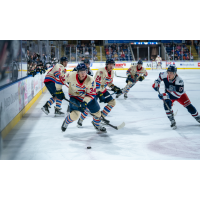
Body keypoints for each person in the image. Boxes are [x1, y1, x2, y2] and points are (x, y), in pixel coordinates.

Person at [60, 63, 106, 132]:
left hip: (86, 97)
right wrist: (58, 90)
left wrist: (85, 102)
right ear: (77, 72)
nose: (83, 74)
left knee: (97, 113)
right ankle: (66, 122)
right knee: (75, 115)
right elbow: (60, 79)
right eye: (81, 72)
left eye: (84, 72)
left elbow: (91, 94)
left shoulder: (90, 80)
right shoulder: (71, 75)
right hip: (75, 97)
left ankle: (97, 124)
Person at [76, 59, 122, 127]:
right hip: (94, 90)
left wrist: (115, 88)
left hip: (103, 90)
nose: (111, 66)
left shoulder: (112, 72)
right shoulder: (101, 71)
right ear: (107, 64)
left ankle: (101, 117)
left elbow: (109, 83)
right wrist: (99, 93)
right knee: (89, 107)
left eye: (112, 64)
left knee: (112, 102)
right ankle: (81, 119)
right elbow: (96, 83)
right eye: (110, 64)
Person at [152, 65, 200, 129]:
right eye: (168, 72)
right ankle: (172, 120)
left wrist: (165, 95)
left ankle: (198, 117)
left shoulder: (179, 81)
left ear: (175, 73)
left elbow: (177, 95)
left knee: (189, 106)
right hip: (169, 93)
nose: (169, 75)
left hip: (180, 95)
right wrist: (156, 83)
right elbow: (159, 77)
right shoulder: (164, 74)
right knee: (166, 104)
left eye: (171, 73)